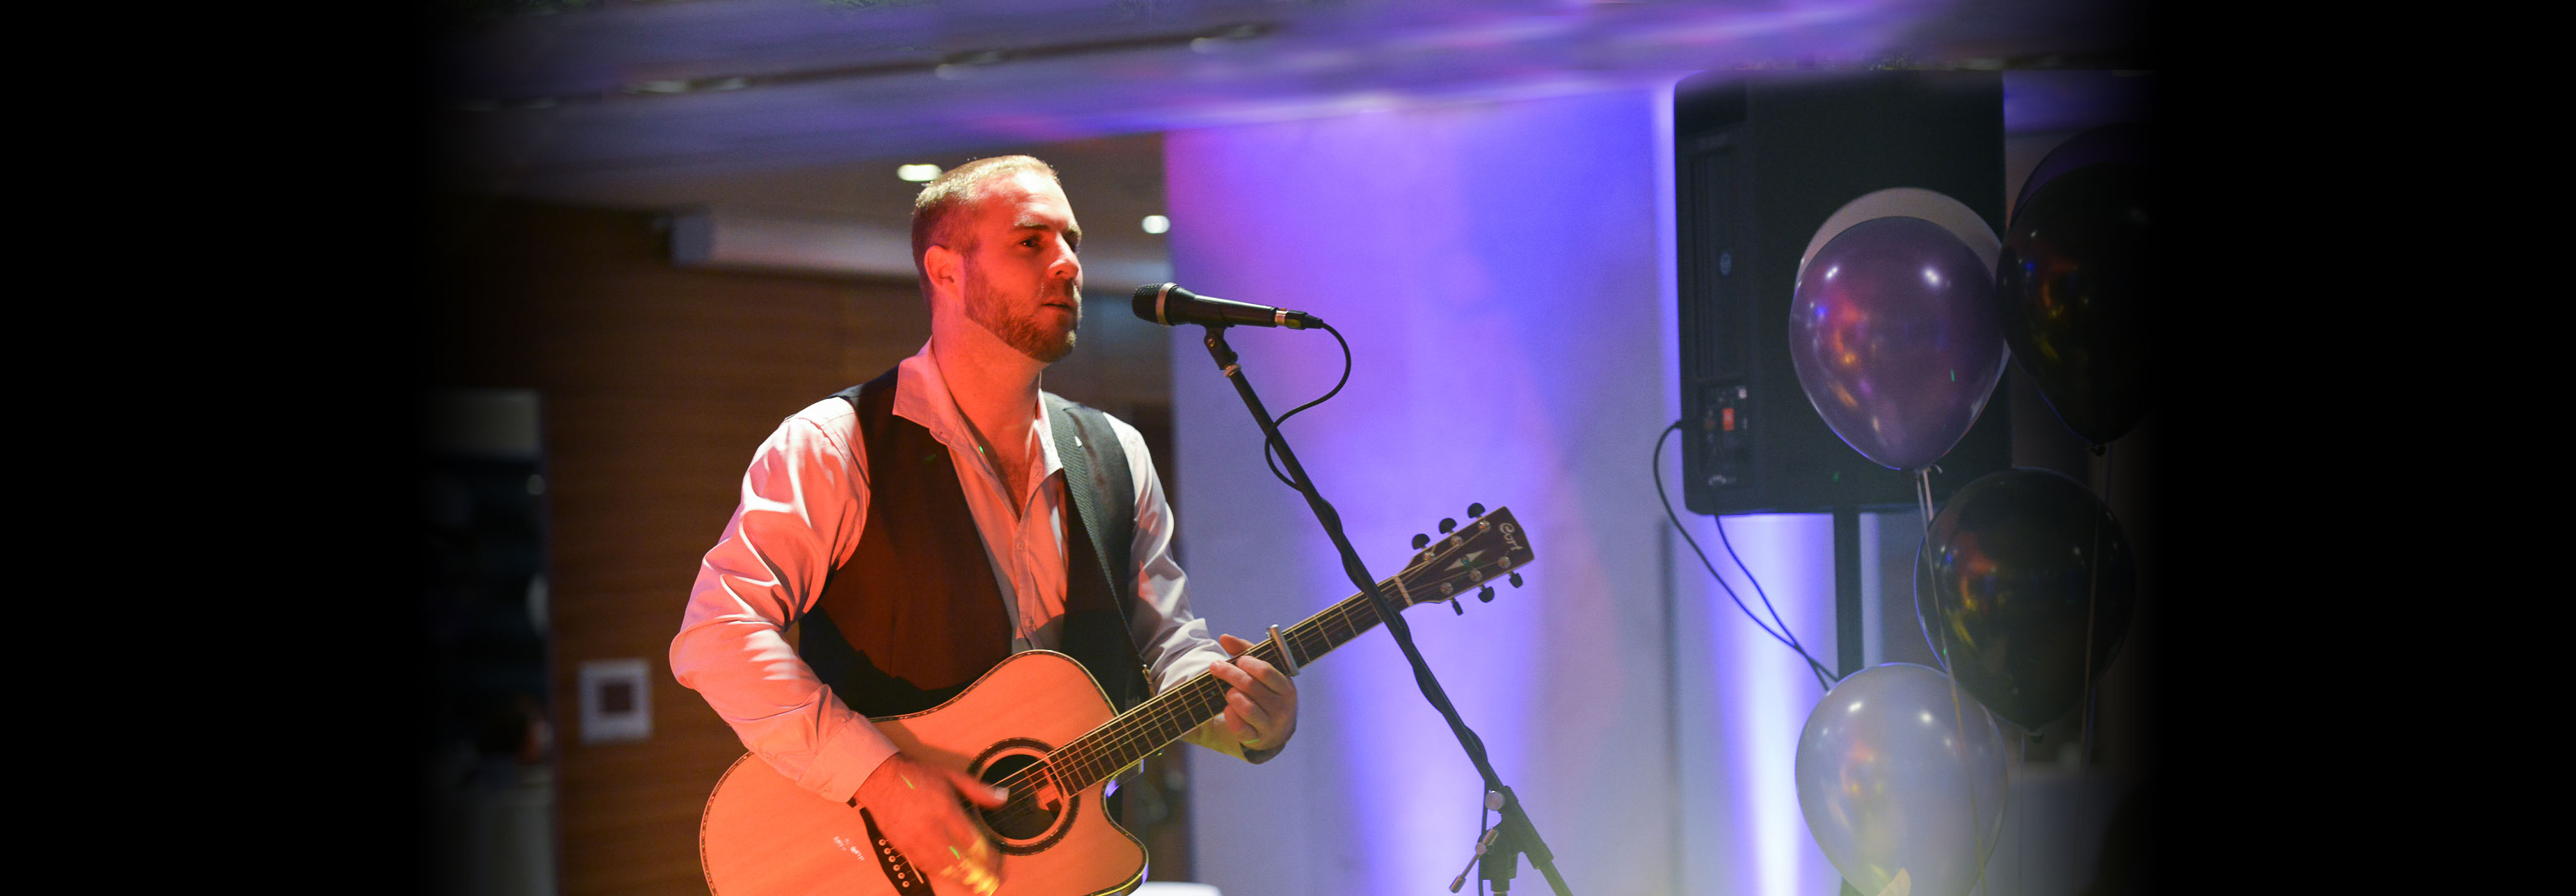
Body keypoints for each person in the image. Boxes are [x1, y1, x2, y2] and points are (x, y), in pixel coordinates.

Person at [671, 155, 1297, 895]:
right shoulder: (834, 444)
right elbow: (717, 636)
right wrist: (880, 778)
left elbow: (1166, 647)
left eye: (1072, 241)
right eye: (1031, 243)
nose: (1067, 264)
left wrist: (1243, 716)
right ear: (945, 272)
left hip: (1072, 868)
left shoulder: (1116, 453)